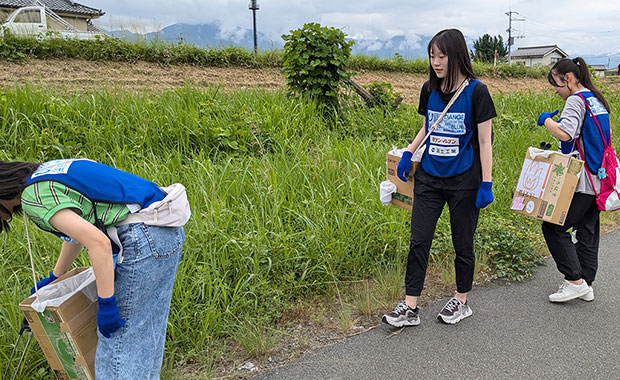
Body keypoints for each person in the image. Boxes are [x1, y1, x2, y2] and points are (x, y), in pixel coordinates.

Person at [0, 158, 190, 379]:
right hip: (166, 229)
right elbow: (79, 232)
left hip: (142, 238)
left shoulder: (33, 197)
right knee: (143, 337)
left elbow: (97, 242)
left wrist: (107, 304)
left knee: (118, 347)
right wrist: (55, 276)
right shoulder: (48, 172)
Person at [382, 29, 496, 327]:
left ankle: (461, 300)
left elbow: (485, 142)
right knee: (419, 240)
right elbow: (428, 126)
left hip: (464, 181)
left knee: (463, 243)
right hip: (430, 178)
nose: (436, 62)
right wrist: (409, 151)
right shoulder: (428, 89)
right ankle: (410, 307)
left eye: (441, 56)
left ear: (456, 55)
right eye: (432, 56)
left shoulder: (477, 92)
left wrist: (487, 182)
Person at [536, 57, 611, 303]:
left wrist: (546, 120)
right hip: (600, 177)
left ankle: (574, 280)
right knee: (587, 230)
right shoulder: (595, 99)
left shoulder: (575, 100)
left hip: (583, 180)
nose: (556, 91)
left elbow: (566, 132)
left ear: (568, 79)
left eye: (556, 85)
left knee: (554, 226)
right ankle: (585, 284)